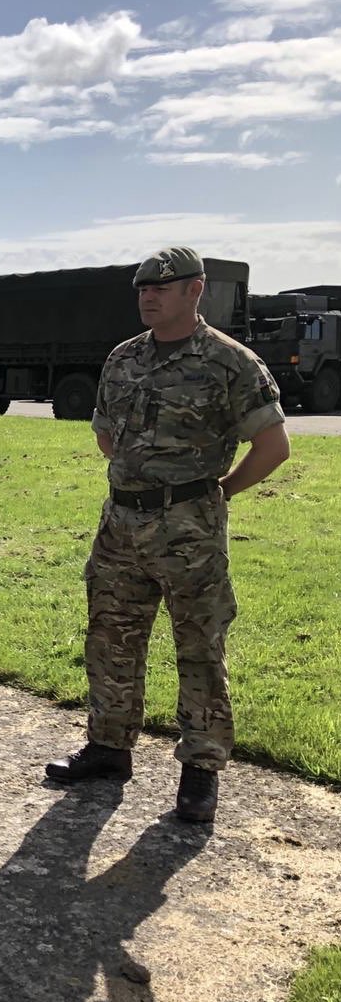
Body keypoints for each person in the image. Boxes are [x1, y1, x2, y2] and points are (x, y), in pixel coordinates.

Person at [46, 247, 290, 822]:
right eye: (142, 289)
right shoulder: (123, 358)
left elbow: (273, 446)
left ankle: (200, 771)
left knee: (199, 648)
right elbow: (107, 436)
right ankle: (109, 748)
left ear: (195, 291)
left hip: (190, 530)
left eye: (163, 287)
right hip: (120, 525)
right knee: (111, 638)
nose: (149, 296)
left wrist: (220, 492)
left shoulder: (230, 363)